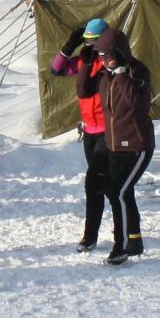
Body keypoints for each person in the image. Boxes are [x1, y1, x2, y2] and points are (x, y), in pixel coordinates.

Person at [93, 26, 154, 265]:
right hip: (115, 145)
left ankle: (121, 246)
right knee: (123, 192)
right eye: (100, 56)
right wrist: (92, 62)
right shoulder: (106, 76)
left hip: (138, 145)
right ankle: (135, 240)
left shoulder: (136, 72)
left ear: (119, 53)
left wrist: (122, 73)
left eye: (106, 55)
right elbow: (84, 90)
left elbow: (137, 104)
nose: (103, 60)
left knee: (116, 192)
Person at [49, 18, 111, 252]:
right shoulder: (85, 59)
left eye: (94, 42)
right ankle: (95, 235)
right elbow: (56, 69)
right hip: (89, 131)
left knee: (96, 182)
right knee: (100, 184)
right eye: (87, 42)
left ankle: (93, 236)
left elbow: (87, 88)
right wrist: (68, 47)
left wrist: (90, 65)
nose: (90, 46)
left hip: (108, 130)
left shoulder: (110, 62)